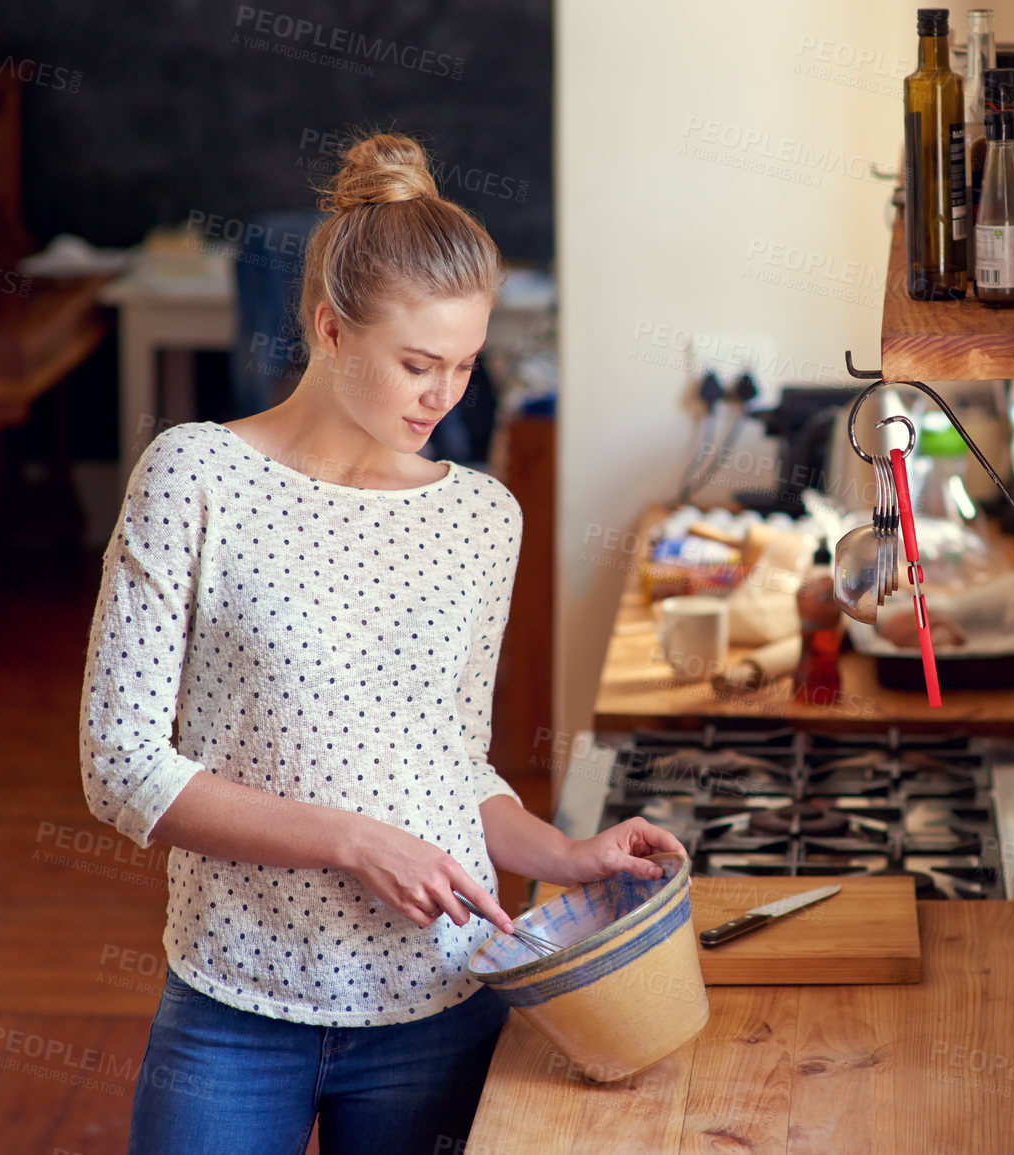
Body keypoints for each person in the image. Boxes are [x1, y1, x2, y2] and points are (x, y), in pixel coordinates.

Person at [77, 131, 683, 1155]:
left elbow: (450, 767)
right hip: (237, 1004)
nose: (442, 396)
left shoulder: (483, 517)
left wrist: (565, 853)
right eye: (416, 363)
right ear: (328, 328)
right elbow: (120, 769)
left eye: (463, 366)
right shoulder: (197, 477)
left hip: (438, 1006)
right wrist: (353, 841)